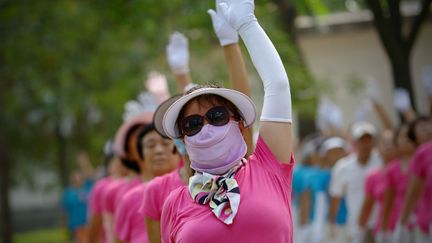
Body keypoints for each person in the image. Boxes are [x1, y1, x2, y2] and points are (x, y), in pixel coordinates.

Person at [159, 0, 294, 242]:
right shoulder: (174, 203)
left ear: (239, 124)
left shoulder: (268, 166)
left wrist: (247, 24)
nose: (206, 128)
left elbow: (279, 86)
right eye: (192, 124)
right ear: (184, 140)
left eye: (217, 116)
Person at [114, 123, 180, 243]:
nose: (158, 150)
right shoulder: (129, 200)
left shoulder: (195, 189)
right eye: (150, 145)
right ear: (141, 155)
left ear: (179, 148)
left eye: (165, 143)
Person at [329, 121, 382, 243]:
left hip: (381, 225)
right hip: (356, 227)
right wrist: (332, 224)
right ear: (354, 143)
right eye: (361, 140)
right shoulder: (342, 167)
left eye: (368, 140)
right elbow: (336, 197)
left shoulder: (381, 161)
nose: (365, 144)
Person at [398, 116, 432, 242]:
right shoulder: (422, 154)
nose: (428, 130)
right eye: (422, 129)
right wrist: (402, 223)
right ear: (415, 138)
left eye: (428, 125)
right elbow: (413, 192)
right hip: (426, 222)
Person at [61, 151, 95, 243]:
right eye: (75, 177)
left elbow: (91, 175)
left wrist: (84, 162)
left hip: (89, 223)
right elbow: (65, 210)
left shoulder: (87, 187)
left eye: (79, 177)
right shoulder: (68, 193)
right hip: (77, 225)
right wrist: (65, 225)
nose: (78, 179)